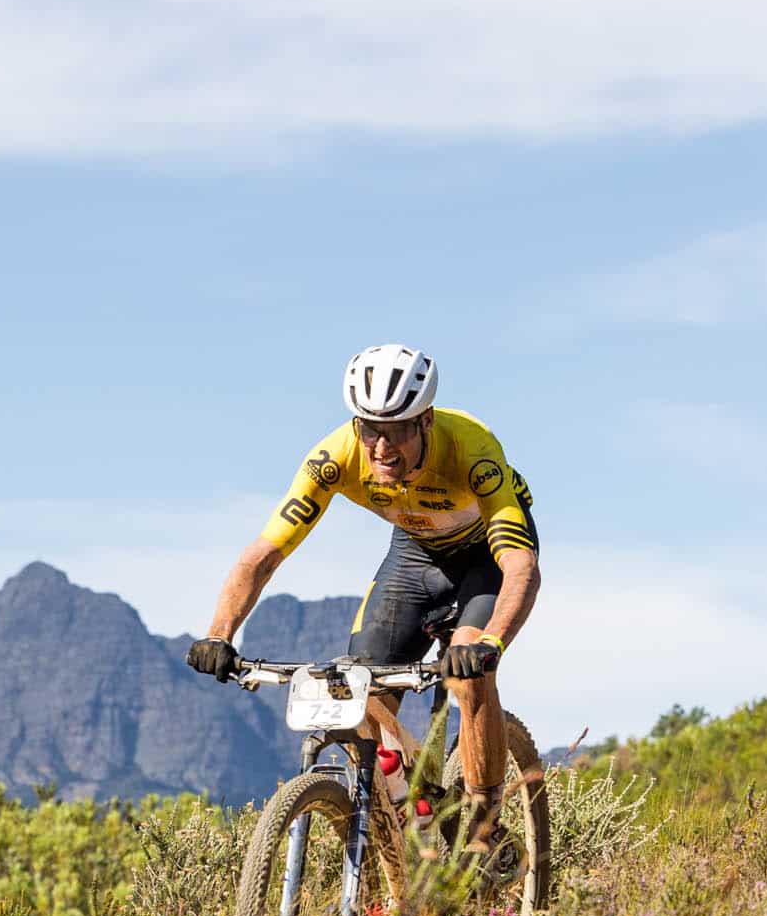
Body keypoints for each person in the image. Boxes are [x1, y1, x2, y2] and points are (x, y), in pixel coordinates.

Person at [187, 344, 541, 851]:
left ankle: (483, 830)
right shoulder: (333, 458)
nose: (381, 447)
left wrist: (490, 644)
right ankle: (413, 815)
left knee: (470, 672)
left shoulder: (472, 450)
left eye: (396, 430)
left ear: (426, 422)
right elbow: (263, 555)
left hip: (485, 553)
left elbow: (521, 566)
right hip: (414, 555)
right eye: (368, 428)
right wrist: (218, 635)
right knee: (356, 693)